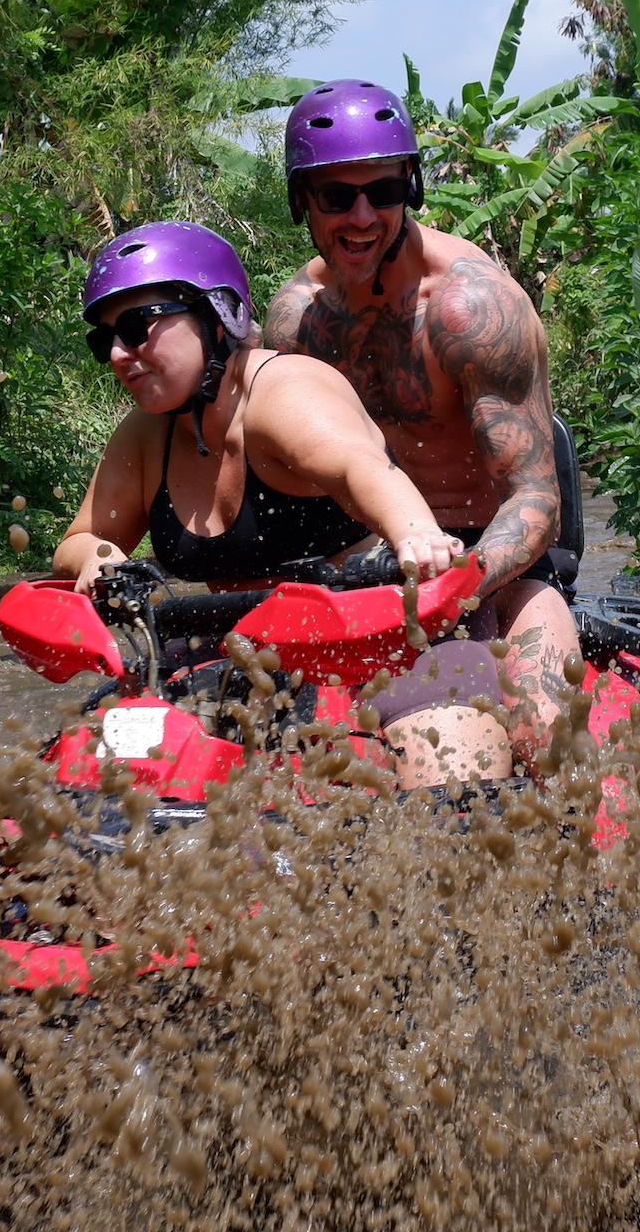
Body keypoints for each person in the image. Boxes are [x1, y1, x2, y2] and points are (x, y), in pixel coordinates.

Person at [51, 221, 506, 787]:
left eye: (139, 326)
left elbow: (363, 467)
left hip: (391, 640)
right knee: (88, 776)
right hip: (241, 658)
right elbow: (78, 540)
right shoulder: (144, 436)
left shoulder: (284, 391)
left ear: (218, 315)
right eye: (105, 340)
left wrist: (416, 535)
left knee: (453, 792)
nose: (120, 353)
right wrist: (97, 558)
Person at [263, 80, 580, 758]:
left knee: (547, 735)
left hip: (494, 564)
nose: (359, 216)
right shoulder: (295, 324)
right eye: (334, 195)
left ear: (410, 186)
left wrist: (459, 582)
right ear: (300, 200)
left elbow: (535, 497)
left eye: (380, 192)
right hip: (358, 573)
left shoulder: (470, 309)